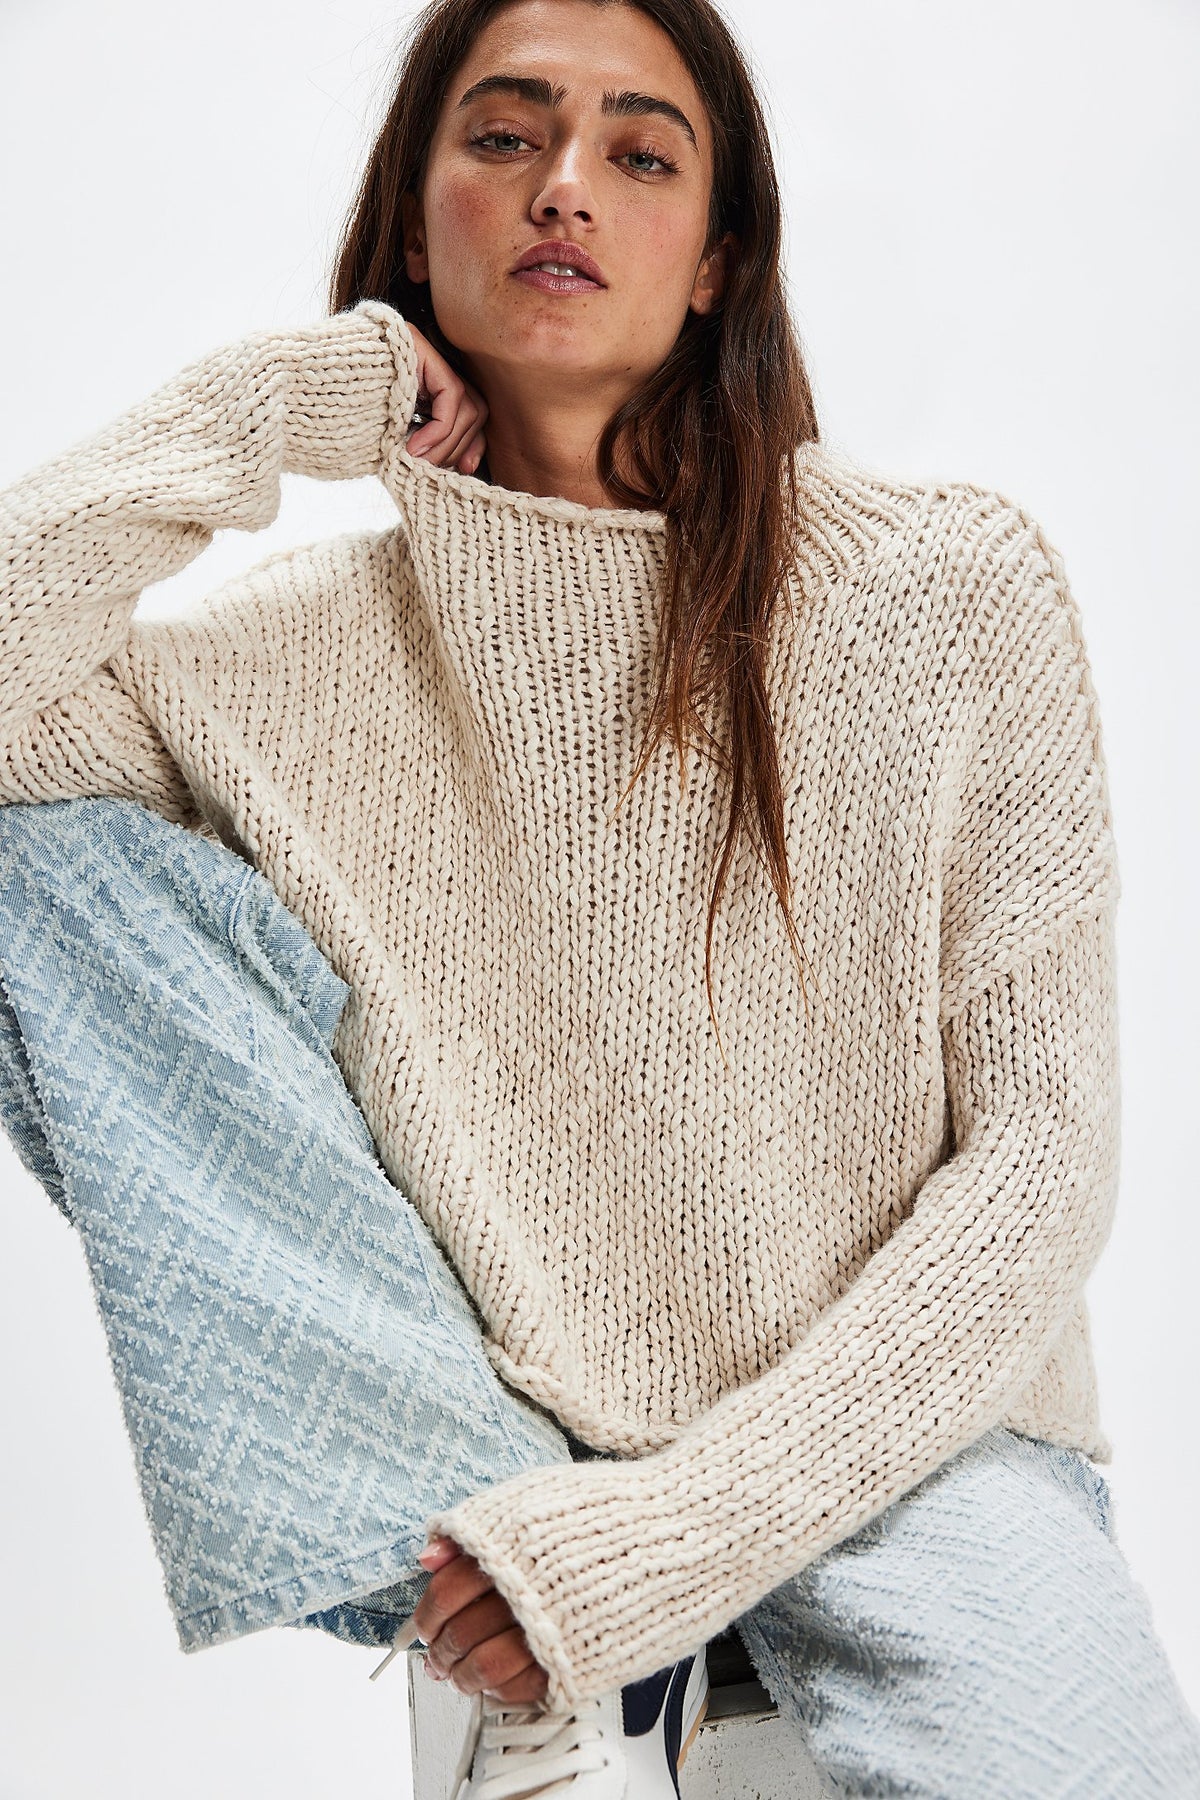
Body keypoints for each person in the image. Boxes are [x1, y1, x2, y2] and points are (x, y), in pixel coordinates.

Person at [1, 0, 1198, 1794]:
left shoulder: (947, 591)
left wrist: (667, 1543)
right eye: (504, 138)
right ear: (416, 231)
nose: (565, 186)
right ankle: (462, 1588)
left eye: (641, 154)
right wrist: (263, 407)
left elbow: (1042, 1172)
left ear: (715, 263)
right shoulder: (268, 670)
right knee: (43, 863)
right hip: (491, 1442)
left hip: (914, 1445)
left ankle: (593, 1622)